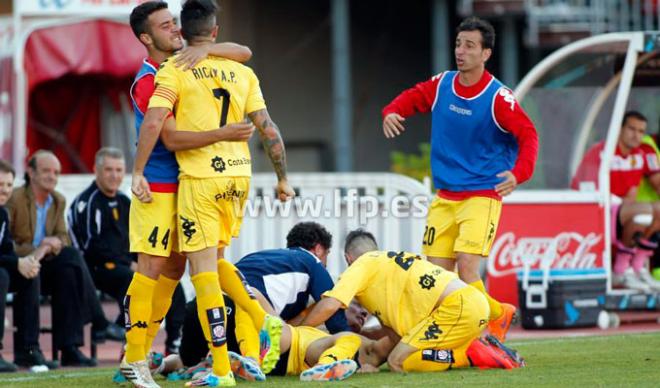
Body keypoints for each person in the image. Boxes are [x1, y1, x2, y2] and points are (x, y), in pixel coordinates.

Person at [132, 0, 294, 386]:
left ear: (183, 32)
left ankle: (220, 370)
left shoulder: (174, 70)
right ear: (215, 32)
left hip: (198, 180)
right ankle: (260, 320)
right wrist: (283, 179)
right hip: (238, 178)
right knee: (207, 263)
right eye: (164, 24)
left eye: (174, 23)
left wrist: (136, 170)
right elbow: (269, 129)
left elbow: (160, 126)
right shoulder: (241, 71)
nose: (171, 29)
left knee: (196, 273)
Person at [381, 16, 538, 342]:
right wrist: (392, 111)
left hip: (483, 193)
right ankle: (497, 313)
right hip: (445, 196)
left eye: (469, 46)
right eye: (458, 44)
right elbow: (413, 96)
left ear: (486, 54)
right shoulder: (443, 84)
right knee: (437, 278)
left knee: (467, 267)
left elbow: (528, 134)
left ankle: (484, 335)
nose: (461, 51)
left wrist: (519, 173)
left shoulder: (499, 97)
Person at [300, 229, 524, 373]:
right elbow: (395, 337)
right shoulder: (389, 266)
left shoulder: (362, 265)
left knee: (400, 361)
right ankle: (474, 347)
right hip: (467, 307)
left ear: (348, 258)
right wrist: (368, 365)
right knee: (412, 357)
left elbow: (329, 305)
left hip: (458, 308)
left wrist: (301, 330)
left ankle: (471, 354)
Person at [67, 147, 186, 352]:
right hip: (94, 269)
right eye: (109, 170)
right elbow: (90, 247)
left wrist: (142, 261)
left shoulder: (124, 201)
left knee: (171, 281)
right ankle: (128, 339)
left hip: (124, 266)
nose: (115, 176)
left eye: (119, 170)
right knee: (134, 280)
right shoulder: (87, 202)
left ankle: (174, 345)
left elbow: (136, 237)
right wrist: (130, 263)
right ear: (96, 170)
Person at [6, 150, 118, 367]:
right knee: (62, 263)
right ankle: (97, 322)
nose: (52, 176)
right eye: (46, 171)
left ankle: (69, 348)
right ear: (31, 172)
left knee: (69, 264)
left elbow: (63, 236)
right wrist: (40, 247)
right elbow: (7, 242)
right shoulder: (16, 198)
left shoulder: (58, 200)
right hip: (18, 266)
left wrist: (51, 245)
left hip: (45, 264)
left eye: (56, 172)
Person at [571, 111, 660, 291]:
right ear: (619, 129)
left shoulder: (642, 153)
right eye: (631, 129)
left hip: (627, 211)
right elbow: (580, 186)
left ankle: (636, 268)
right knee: (645, 212)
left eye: (641, 131)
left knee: (651, 212)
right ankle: (621, 270)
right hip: (603, 210)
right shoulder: (602, 151)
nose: (636, 135)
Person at [0, 160, 44, 372]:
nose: (5, 189)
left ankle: (27, 350)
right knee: (1, 276)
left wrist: (26, 263)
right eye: (0, 184)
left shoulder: (2, 214)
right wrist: (17, 262)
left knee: (30, 275)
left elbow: (6, 250)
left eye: (8, 185)